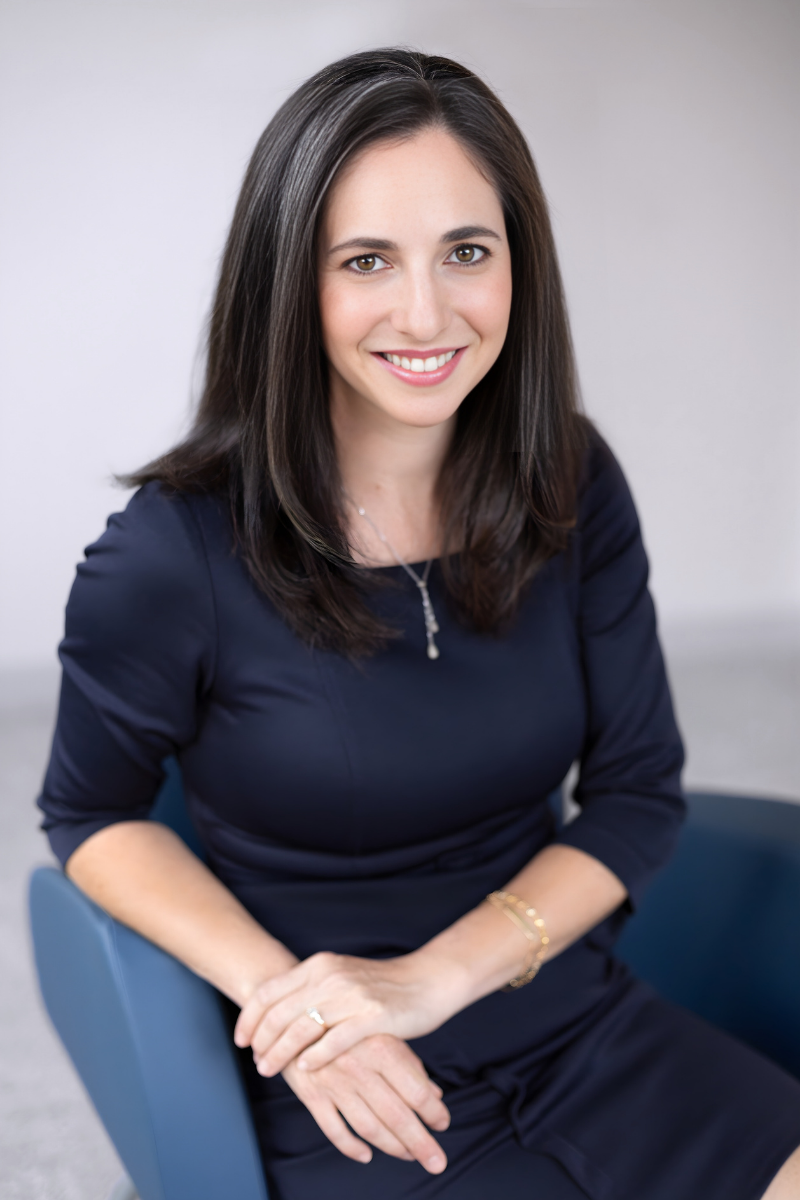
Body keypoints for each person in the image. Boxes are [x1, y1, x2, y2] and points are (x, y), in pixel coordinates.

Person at [38, 49, 800, 1200]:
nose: (426, 311)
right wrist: (288, 995)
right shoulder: (171, 551)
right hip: (353, 1086)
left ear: (516, 265)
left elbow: (637, 794)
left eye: (465, 252)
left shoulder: (569, 482)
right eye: (366, 261)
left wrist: (434, 978)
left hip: (580, 1026)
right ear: (289, 282)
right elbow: (89, 814)